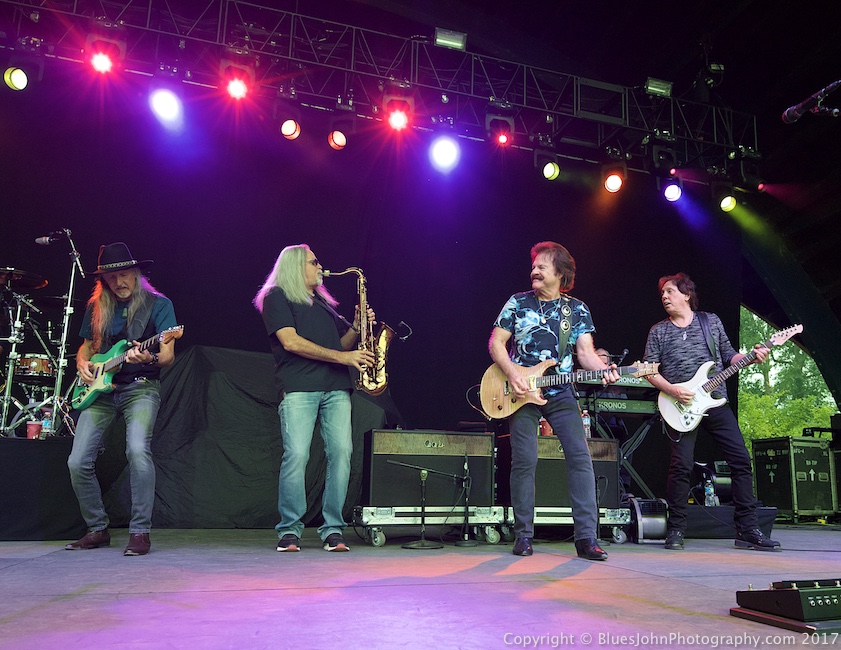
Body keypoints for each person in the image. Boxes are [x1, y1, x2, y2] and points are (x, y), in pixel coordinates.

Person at [489, 241, 619, 560]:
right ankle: (523, 536)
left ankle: (586, 538)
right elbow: (496, 343)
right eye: (533, 266)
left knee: (580, 458)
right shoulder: (518, 302)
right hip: (520, 393)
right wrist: (514, 375)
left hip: (560, 391)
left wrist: (605, 370)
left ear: (560, 273)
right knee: (525, 460)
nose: (533, 270)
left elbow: (586, 354)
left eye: (541, 266)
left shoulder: (576, 310)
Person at [643, 272, 780, 551]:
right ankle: (676, 530)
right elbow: (648, 370)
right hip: (679, 406)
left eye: (670, 291)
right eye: (662, 294)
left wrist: (752, 357)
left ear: (686, 294)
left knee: (740, 460)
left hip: (716, 401)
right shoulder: (659, 331)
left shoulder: (711, 321)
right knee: (681, 466)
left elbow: (730, 356)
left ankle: (748, 530)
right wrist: (672, 390)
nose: (664, 297)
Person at [254, 244, 373, 553]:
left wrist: (357, 327)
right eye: (314, 262)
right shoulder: (276, 296)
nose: (321, 267)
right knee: (296, 455)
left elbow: (339, 346)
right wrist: (344, 358)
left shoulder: (322, 303)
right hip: (299, 386)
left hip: (336, 387)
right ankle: (289, 529)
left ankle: (333, 528)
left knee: (342, 453)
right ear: (296, 266)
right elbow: (291, 342)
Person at [66, 242, 177, 556]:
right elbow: (88, 347)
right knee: (77, 461)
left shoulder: (159, 305)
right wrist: (82, 364)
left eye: (125, 274)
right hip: (100, 390)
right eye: (111, 277)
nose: (119, 282)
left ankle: (140, 531)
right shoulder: (97, 306)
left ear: (137, 273)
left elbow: (167, 355)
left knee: (138, 450)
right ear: (104, 280)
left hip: (140, 387)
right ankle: (97, 528)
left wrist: (148, 358)